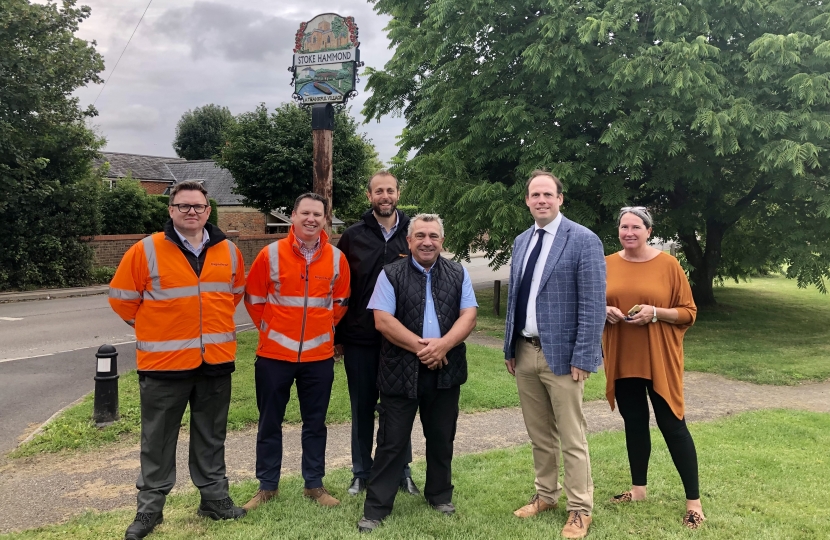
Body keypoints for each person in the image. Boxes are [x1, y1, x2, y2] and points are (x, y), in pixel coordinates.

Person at [108, 181, 246, 540]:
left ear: (208, 210)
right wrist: (155, 327)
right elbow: (123, 300)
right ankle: (150, 510)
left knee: (211, 436)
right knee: (157, 440)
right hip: (164, 366)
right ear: (170, 211)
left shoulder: (229, 251)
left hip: (214, 362)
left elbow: (233, 294)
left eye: (198, 206)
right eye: (183, 206)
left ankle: (214, 499)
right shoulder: (146, 251)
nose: (191, 212)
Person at [357, 214, 478, 533]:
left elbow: (468, 316)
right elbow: (382, 321)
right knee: (391, 442)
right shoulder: (391, 273)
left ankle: (439, 495)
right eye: (420, 235)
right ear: (409, 241)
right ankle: (376, 508)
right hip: (401, 372)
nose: (427, 241)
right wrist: (426, 348)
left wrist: (443, 346)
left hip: (446, 370)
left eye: (434, 236)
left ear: (442, 241)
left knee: (441, 437)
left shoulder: (457, 272)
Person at [503, 171, 606, 539]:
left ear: (561, 199)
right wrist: (509, 346)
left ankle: (580, 509)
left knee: (571, 436)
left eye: (548, 194)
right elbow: (517, 298)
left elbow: (593, 305)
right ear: (527, 200)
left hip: (563, 358)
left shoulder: (583, 240)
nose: (541, 200)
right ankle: (546, 494)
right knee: (539, 434)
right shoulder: (521, 241)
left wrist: (584, 354)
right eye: (535, 194)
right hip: (525, 351)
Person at [242, 192, 350, 511]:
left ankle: (313, 485)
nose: (311, 219)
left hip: (318, 359)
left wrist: (322, 330)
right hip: (274, 357)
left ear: (324, 220)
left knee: (315, 423)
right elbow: (254, 299)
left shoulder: (336, 259)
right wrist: (272, 330)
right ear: (293, 216)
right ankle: (267, 486)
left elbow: (340, 303)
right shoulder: (270, 254)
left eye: (318, 214)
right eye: (305, 213)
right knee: (269, 422)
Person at [603, 206, 704, 529]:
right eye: (623, 227)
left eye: (636, 227)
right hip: (623, 358)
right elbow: (592, 303)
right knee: (634, 423)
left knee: (673, 425)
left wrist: (657, 312)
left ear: (648, 231)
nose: (629, 232)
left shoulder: (668, 264)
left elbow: (689, 312)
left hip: (659, 358)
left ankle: (694, 502)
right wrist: (605, 310)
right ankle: (638, 490)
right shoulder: (606, 264)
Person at [335, 171, 420, 497]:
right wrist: (339, 335)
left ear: (398, 193)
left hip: (402, 339)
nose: (385, 196)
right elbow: (341, 289)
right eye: (378, 191)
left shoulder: (413, 235)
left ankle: (402, 471)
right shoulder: (353, 237)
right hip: (360, 338)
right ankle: (361, 472)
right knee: (362, 407)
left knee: (398, 407)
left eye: (390, 190)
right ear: (369, 195)